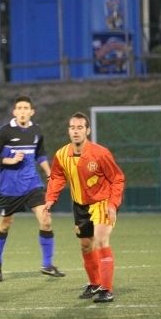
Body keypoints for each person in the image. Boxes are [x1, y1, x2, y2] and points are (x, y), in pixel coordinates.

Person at [45, 113, 126, 303]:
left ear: (87, 131)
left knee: (100, 240)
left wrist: (113, 204)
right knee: (86, 245)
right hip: (80, 205)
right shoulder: (62, 154)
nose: (76, 131)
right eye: (72, 127)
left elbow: (117, 178)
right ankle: (95, 283)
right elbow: (57, 177)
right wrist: (50, 198)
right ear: (68, 131)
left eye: (80, 127)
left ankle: (107, 289)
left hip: (102, 203)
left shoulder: (100, 153)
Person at [0, 95, 64, 282]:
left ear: (31, 111)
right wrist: (10, 160)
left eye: (25, 108)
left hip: (32, 185)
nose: (22, 111)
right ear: (14, 112)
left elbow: (41, 154)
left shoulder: (36, 131)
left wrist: (49, 173)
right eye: (19, 108)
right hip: (10, 188)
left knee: (46, 220)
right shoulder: (4, 132)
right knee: (5, 224)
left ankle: (47, 264)